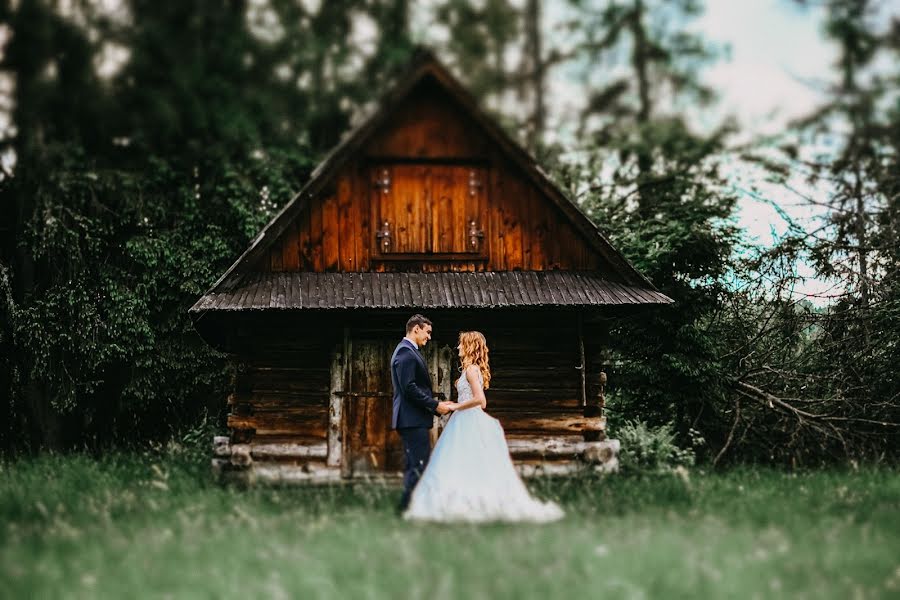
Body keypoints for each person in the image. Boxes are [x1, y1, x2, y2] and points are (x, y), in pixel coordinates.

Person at [402, 331, 564, 523]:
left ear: (470, 346)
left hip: (469, 419)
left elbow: (481, 400)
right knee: (463, 462)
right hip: (462, 419)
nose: (458, 347)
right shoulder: (468, 369)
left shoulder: (471, 369)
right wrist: (457, 405)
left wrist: (455, 406)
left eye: (462, 344)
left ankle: (475, 502)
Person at [391, 314, 454, 513]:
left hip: (412, 419)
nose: (428, 337)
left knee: (415, 463)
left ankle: (411, 507)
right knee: (419, 464)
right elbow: (409, 388)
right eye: (427, 332)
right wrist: (435, 405)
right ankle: (406, 508)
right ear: (416, 329)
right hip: (411, 419)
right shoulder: (406, 353)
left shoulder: (408, 351)